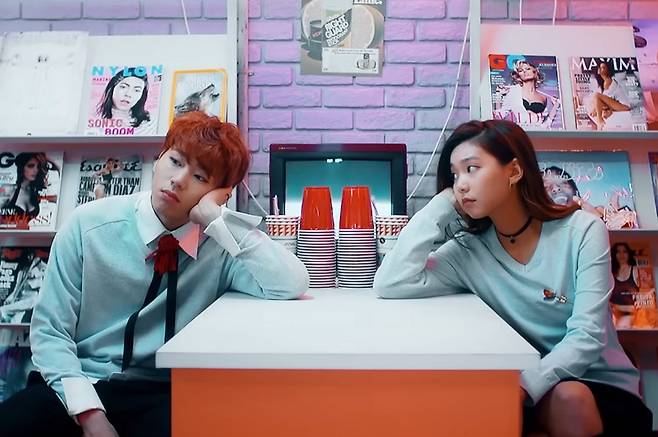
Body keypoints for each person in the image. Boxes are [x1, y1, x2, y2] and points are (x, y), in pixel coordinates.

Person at [0, 111, 309, 437]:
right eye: (175, 161)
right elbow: (51, 332)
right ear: (159, 157)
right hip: (81, 381)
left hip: (163, 394)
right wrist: (90, 415)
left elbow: (291, 283)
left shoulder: (219, 247)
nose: (179, 180)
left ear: (219, 192)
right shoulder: (88, 225)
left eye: (200, 177)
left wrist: (218, 218)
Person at [373, 119, 653, 436]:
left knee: (569, 397)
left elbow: (587, 337)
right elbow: (391, 282)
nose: (461, 185)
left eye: (472, 168)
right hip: (521, 386)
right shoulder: (468, 251)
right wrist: (442, 204)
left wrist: (523, 387)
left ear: (515, 171)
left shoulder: (583, 231)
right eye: (455, 175)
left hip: (598, 384)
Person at [495, 59, 561, 129]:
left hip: (538, 132)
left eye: (528, 69)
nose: (524, 71)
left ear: (535, 72)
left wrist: (556, 106)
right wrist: (498, 94)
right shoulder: (513, 92)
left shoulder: (543, 97)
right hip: (519, 132)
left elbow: (546, 123)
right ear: (519, 75)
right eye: (521, 70)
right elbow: (499, 115)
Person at [96, 67, 155, 135]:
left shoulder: (150, 122)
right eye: (123, 87)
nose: (128, 94)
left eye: (137, 90)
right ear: (112, 88)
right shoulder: (95, 119)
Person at [586, 60, 632, 131]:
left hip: (624, 106)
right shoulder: (604, 82)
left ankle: (599, 120)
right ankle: (602, 115)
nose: (600, 69)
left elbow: (604, 99)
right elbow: (606, 100)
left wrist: (597, 110)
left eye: (603, 67)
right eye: (600, 67)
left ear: (608, 70)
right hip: (616, 103)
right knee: (594, 105)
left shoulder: (608, 81)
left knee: (596, 95)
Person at [610, 242, 640, 329]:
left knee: (622, 326)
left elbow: (639, 306)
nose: (621, 254)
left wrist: (616, 307)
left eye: (624, 251)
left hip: (629, 314)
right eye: (618, 252)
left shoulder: (635, 271)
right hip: (611, 315)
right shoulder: (610, 273)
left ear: (629, 254)